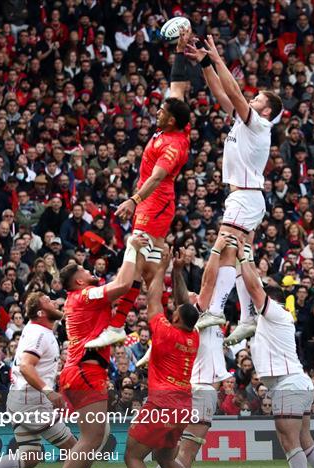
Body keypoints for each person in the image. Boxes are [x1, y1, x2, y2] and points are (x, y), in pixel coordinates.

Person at [0, 292, 127, 468]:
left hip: (21, 398)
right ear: (41, 312)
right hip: (31, 402)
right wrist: (50, 392)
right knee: (75, 448)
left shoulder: (38, 331)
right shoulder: (40, 334)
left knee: (30, 457)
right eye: (48, 301)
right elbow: (26, 366)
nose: (54, 302)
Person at [85, 28, 192, 349]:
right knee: (151, 267)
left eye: (162, 111)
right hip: (152, 203)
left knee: (137, 265)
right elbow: (178, 85)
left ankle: (92, 306)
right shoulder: (176, 120)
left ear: (172, 121)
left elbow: (157, 178)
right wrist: (181, 49)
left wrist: (134, 200)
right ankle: (156, 336)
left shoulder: (174, 145)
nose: (157, 111)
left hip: (156, 203)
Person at [185, 35, 283, 346]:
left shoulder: (259, 125)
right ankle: (247, 318)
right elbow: (220, 93)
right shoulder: (244, 121)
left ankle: (213, 307)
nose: (252, 100)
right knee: (241, 256)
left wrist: (215, 56)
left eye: (258, 100)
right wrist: (204, 63)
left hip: (246, 195)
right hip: (246, 196)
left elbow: (234, 91)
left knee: (222, 247)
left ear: (265, 112)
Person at [39, 234, 147, 468]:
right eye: (86, 271)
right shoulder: (85, 296)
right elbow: (122, 285)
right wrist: (132, 248)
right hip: (85, 372)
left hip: (80, 371)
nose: (91, 272)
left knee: (95, 437)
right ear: (78, 281)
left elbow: (126, 291)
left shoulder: (82, 298)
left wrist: (141, 266)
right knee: (91, 438)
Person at [235, 237, 314, 468]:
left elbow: (254, 288)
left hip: (288, 383)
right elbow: (248, 294)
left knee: (288, 439)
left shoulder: (276, 314)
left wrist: (244, 257)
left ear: (272, 301)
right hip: (296, 382)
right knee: (304, 439)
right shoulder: (267, 323)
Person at [152, 236, 232, 468]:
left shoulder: (195, 323)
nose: (197, 297)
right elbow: (189, 295)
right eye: (194, 299)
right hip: (201, 389)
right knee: (184, 451)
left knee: (173, 452)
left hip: (191, 389)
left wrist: (176, 270)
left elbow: (183, 299)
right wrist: (218, 250)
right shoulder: (199, 319)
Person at [124, 248, 206, 468]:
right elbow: (185, 308)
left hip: (162, 403)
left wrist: (161, 269)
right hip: (183, 405)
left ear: (175, 319)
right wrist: (177, 271)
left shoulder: (164, 333)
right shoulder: (193, 337)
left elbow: (153, 300)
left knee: (132, 455)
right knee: (165, 457)